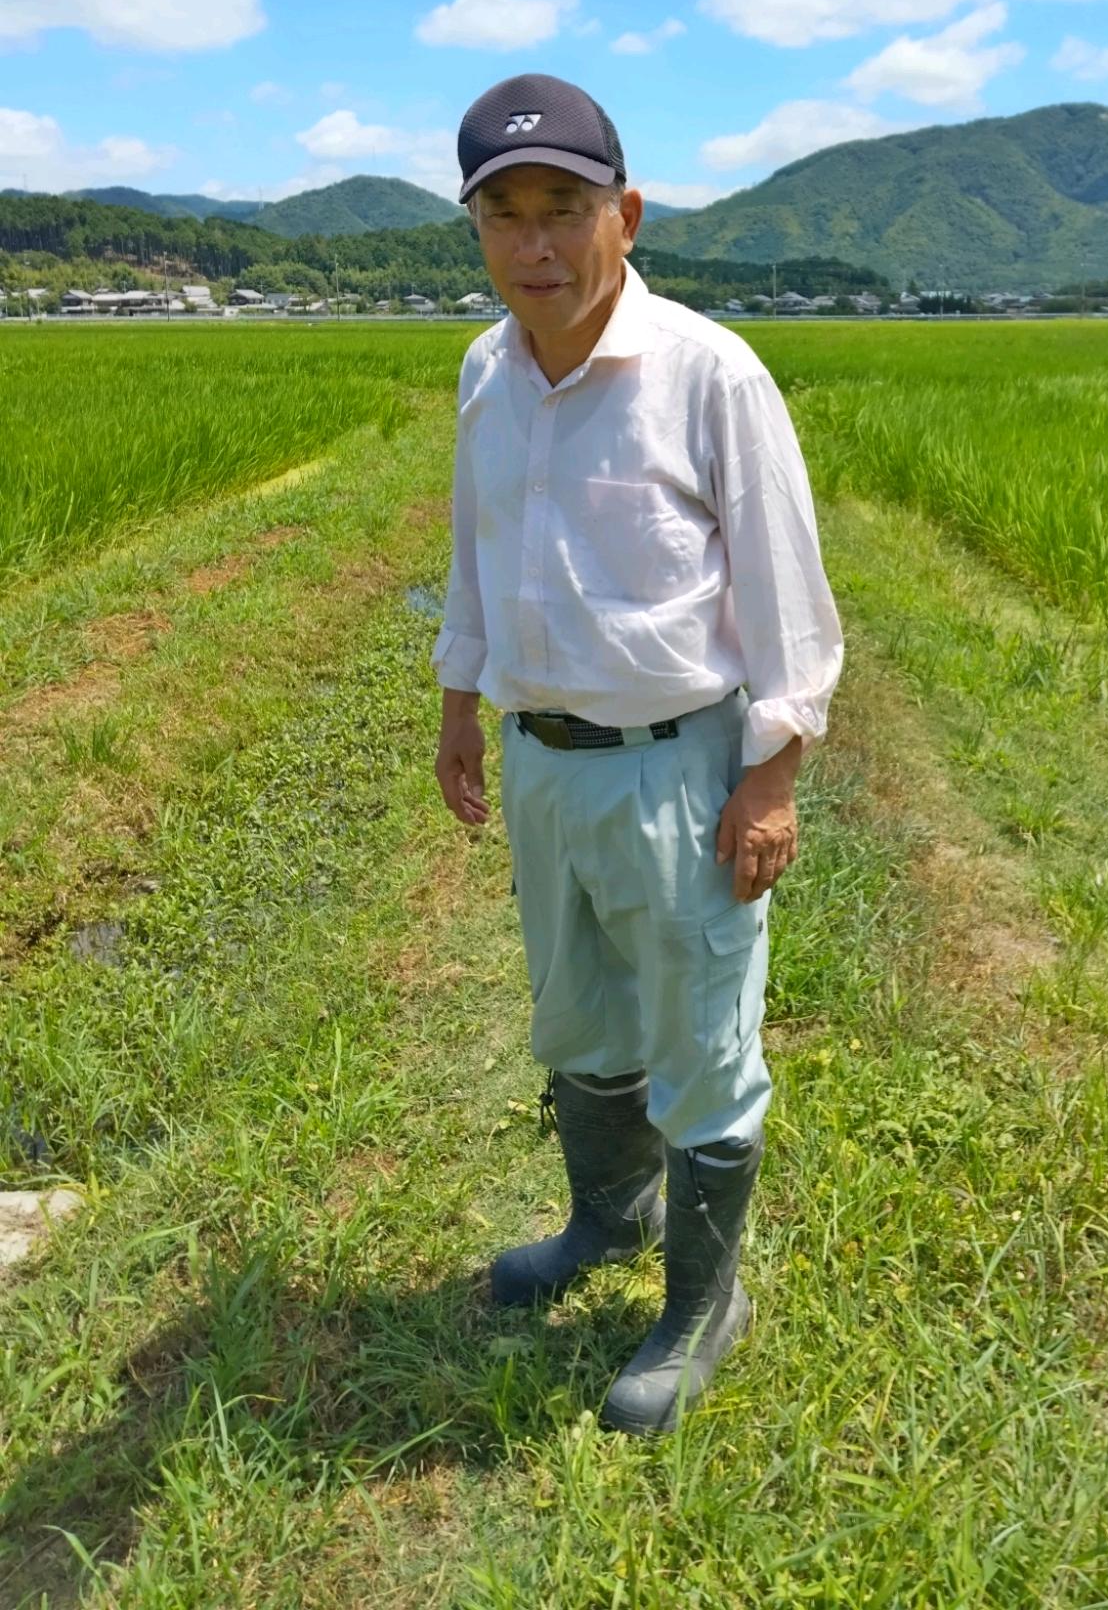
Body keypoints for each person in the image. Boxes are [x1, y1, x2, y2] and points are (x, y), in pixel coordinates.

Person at [432, 73, 843, 1435]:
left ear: (627, 214)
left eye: (565, 211)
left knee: (701, 1039)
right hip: (544, 759)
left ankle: (703, 1301)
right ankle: (605, 1223)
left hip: (680, 763)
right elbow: (477, 559)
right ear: (477, 228)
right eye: (506, 217)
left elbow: (787, 588)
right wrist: (459, 703)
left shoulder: (707, 372)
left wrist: (773, 771)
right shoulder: (488, 371)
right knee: (580, 1018)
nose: (536, 247)